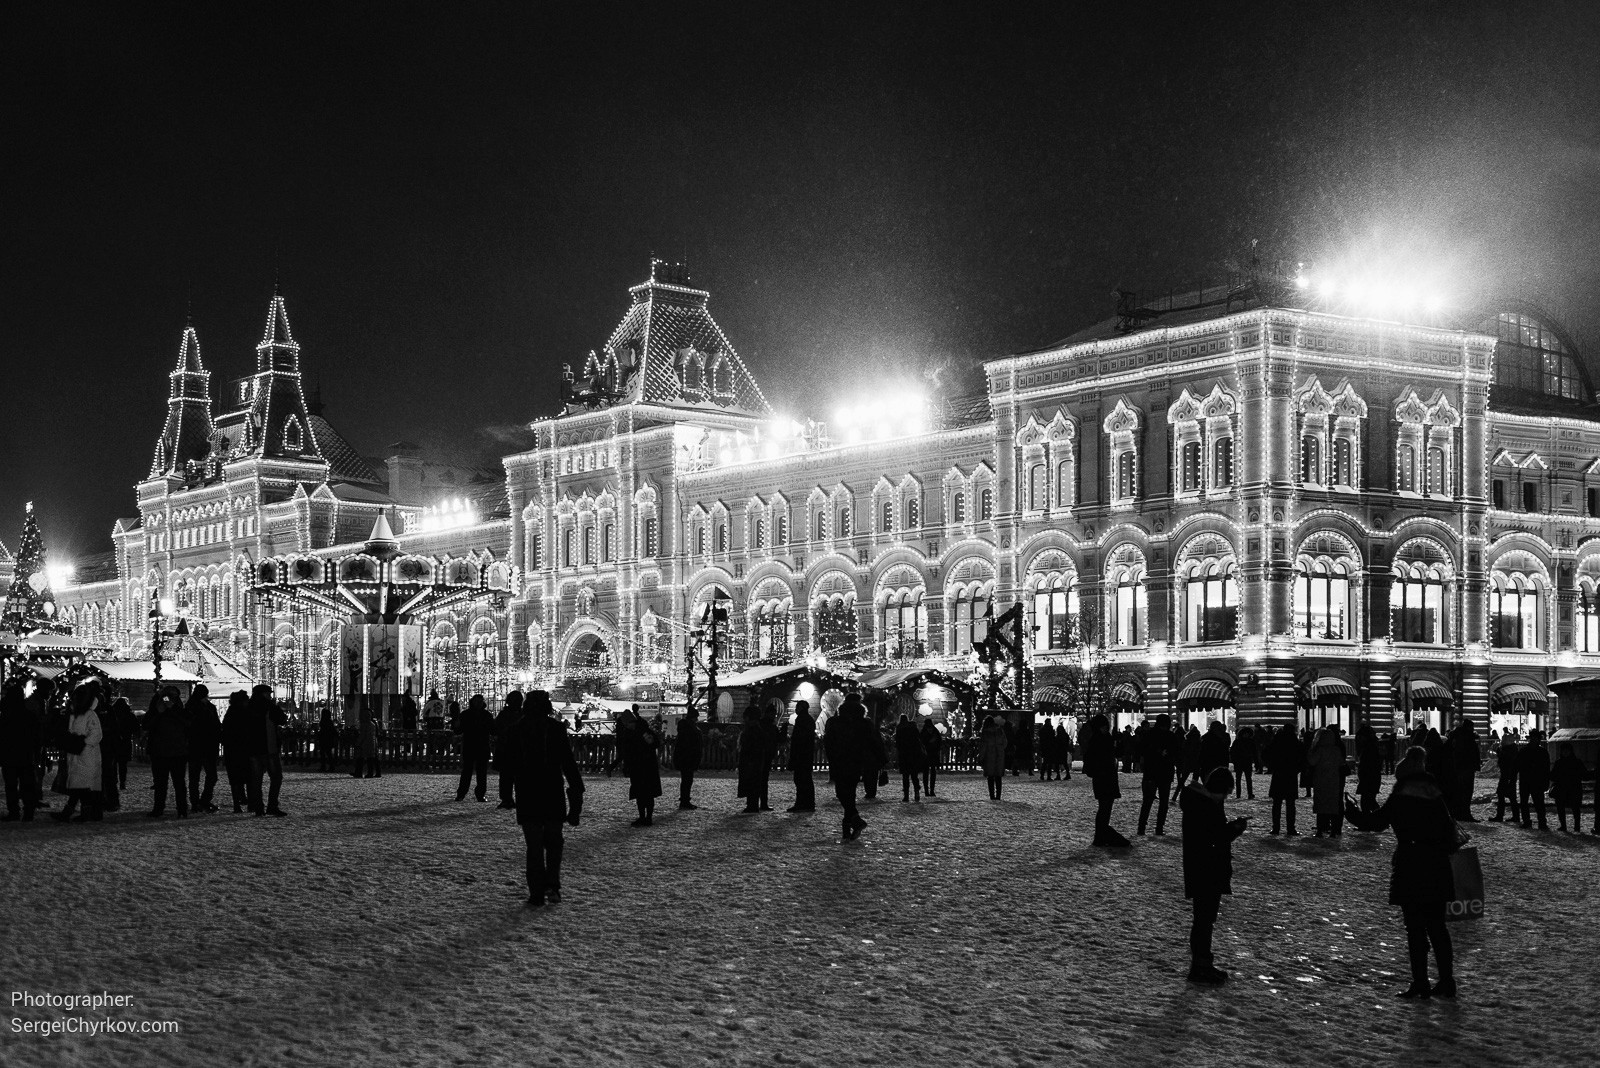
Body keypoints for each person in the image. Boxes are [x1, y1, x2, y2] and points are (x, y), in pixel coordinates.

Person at [1344, 747, 1461, 999]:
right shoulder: (1434, 793)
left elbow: (1376, 822)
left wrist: (1351, 812)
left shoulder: (1402, 795)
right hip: (1437, 864)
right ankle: (1447, 981)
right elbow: (1448, 828)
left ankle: (1420, 982)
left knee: (1415, 928)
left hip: (1411, 864)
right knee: (1437, 927)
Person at [512, 691, 584, 906]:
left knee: (534, 845)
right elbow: (568, 761)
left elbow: (503, 763)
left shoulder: (518, 729)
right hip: (552, 790)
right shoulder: (555, 728)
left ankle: (536, 892)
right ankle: (552, 885)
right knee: (554, 842)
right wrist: (576, 787)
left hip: (527, 791)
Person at [1181, 766, 1248, 984]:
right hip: (1207, 868)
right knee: (1204, 920)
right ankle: (1200, 967)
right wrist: (1235, 829)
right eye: (1227, 792)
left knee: (1203, 919)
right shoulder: (1206, 805)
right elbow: (1215, 836)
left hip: (1201, 867)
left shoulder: (1199, 802)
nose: (1226, 797)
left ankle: (1202, 964)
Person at [53, 680, 106, 823]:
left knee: (83, 787)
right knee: (79, 786)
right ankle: (77, 812)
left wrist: (82, 743)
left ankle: (83, 813)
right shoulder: (74, 714)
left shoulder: (90, 715)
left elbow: (96, 734)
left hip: (86, 755)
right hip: (76, 754)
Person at [824, 693, 871, 840]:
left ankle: (854, 821)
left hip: (840, 761)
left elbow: (829, 742)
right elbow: (870, 742)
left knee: (842, 793)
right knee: (850, 794)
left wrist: (832, 757)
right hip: (856, 762)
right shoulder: (863, 723)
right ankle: (849, 827)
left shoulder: (835, 722)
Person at [144, 685, 190, 818]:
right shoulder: (158, 706)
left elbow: (187, 723)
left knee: (177, 782)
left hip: (175, 751)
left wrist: (171, 709)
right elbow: (147, 724)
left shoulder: (178, 708)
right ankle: (161, 808)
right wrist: (159, 712)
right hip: (162, 751)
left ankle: (181, 808)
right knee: (161, 783)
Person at [1084, 713, 1129, 846]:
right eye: (1104, 726)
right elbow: (1102, 759)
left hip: (1104, 778)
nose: (1106, 728)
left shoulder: (1101, 739)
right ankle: (1101, 836)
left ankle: (1100, 837)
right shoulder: (1101, 740)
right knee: (1105, 808)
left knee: (1104, 808)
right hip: (1104, 778)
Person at [0, 681, 42, 821]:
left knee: (11, 785)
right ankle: (28, 811)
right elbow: (36, 736)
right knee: (27, 784)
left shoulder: (6, 715)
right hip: (25, 754)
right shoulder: (28, 715)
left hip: (9, 753)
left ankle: (14, 811)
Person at [1138, 713, 1179, 836]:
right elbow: (1176, 752)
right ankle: (1159, 828)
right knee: (1163, 802)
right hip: (1164, 772)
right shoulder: (1170, 736)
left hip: (1151, 772)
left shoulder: (1149, 735)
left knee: (1148, 801)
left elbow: (1142, 750)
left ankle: (1141, 827)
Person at [221, 690, 261, 814]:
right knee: (249, 778)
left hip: (232, 750)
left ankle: (237, 805)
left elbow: (225, 732)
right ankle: (250, 804)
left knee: (235, 779)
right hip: (245, 749)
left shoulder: (230, 714)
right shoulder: (246, 713)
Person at [186, 684, 221, 814]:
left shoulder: (191, 707)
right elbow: (215, 725)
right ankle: (202, 801)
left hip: (197, 746)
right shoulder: (206, 707)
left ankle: (197, 802)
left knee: (196, 777)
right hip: (205, 746)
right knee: (208, 776)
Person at [1306, 726, 1347, 837]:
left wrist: (1310, 752)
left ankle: (1320, 830)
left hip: (1321, 779)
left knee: (1321, 805)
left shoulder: (1320, 750)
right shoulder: (1336, 750)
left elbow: (1312, 761)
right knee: (1332, 805)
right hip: (1334, 780)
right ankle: (1333, 830)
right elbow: (1341, 763)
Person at [255, 686, 289, 816]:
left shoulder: (249, 706)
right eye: (268, 694)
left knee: (256, 779)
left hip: (254, 748)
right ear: (264, 694)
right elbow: (282, 719)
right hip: (268, 746)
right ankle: (272, 805)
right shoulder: (269, 707)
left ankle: (258, 807)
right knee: (276, 777)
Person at [1264, 723, 1304, 836]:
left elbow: (1266, 753)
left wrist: (1271, 766)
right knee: (1290, 804)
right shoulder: (1295, 742)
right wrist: (1297, 769)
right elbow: (1302, 757)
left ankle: (1276, 828)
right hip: (1290, 774)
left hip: (1279, 774)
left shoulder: (1277, 741)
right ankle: (1290, 828)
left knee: (1277, 803)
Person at [625, 708, 663, 826]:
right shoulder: (643, 730)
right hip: (646, 766)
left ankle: (645, 817)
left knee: (642, 793)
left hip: (642, 766)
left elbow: (651, 744)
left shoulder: (640, 732)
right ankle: (646, 817)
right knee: (646, 794)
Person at [455, 694, 493, 800]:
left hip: (472, 745)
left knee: (472, 771)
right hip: (478, 745)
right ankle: (476, 794)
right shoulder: (485, 715)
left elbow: (459, 730)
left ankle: (463, 793)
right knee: (476, 772)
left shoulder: (466, 714)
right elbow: (493, 730)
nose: (478, 704)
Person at [493, 691, 525, 809]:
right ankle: (509, 799)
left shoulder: (506, 714)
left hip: (509, 748)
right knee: (512, 776)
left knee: (508, 777)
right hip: (512, 749)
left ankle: (507, 799)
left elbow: (496, 728)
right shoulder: (521, 714)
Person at [1447, 719, 1482, 821]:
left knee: (1460, 791)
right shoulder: (1467, 737)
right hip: (1467, 767)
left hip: (1459, 767)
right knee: (1466, 791)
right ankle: (1465, 813)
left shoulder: (1457, 736)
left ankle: (1459, 813)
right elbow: (1470, 753)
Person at [1549, 742, 1587, 833]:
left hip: (1569, 788)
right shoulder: (1575, 762)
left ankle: (1574, 826)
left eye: (1567, 750)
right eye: (1564, 751)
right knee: (1567, 808)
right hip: (1568, 788)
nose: (1565, 752)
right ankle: (1567, 826)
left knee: (1574, 808)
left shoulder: (1561, 762)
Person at [1517, 728, 1550, 830]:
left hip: (1533, 780)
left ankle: (1537, 822)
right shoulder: (1540, 752)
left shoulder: (1527, 751)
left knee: (1537, 803)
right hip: (1530, 780)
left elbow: (1546, 768)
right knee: (1531, 802)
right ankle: (1536, 822)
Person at [737, 708, 766, 813]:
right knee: (753, 782)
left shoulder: (752, 730)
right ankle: (752, 804)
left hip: (751, 761)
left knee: (752, 782)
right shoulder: (756, 729)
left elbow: (749, 746)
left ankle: (752, 805)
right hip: (753, 760)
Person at [789, 701, 816, 812]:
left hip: (801, 754)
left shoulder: (802, 719)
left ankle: (802, 803)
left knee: (801, 779)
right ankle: (808, 803)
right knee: (805, 779)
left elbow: (799, 739)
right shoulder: (808, 719)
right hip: (806, 754)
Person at [1488, 731, 1521, 824]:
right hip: (1507, 776)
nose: (1502, 741)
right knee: (1507, 796)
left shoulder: (1509, 751)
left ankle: (1502, 816)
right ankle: (1514, 816)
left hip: (1508, 776)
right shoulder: (1509, 749)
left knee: (1505, 796)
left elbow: (1508, 764)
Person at [676, 707, 702, 810]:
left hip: (686, 757)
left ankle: (685, 799)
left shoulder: (686, 727)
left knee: (686, 780)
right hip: (688, 758)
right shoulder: (690, 728)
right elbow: (691, 743)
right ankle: (685, 800)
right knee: (687, 780)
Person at [895, 713, 925, 802]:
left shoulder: (899, 729)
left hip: (904, 755)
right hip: (914, 755)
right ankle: (916, 792)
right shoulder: (913, 728)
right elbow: (919, 739)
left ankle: (906, 795)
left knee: (905, 776)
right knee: (914, 775)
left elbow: (898, 743)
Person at [109, 696, 137, 791]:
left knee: (113, 763)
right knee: (123, 764)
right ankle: (122, 782)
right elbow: (135, 728)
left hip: (114, 741)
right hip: (125, 741)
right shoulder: (130, 715)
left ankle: (114, 780)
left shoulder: (113, 714)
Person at [1354, 722, 1382, 814]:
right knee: (1369, 799)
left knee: (1367, 799)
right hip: (1370, 775)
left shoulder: (1368, 747)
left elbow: (1369, 763)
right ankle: (1375, 817)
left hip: (1368, 775)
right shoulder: (1371, 746)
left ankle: (1375, 817)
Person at [978, 715, 1008, 800]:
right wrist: (1000, 749)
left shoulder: (986, 733)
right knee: (998, 776)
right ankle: (998, 795)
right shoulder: (1000, 731)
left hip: (989, 755)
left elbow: (983, 746)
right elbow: (1005, 742)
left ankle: (992, 795)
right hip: (999, 755)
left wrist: (981, 756)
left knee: (990, 776)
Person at [1230, 725, 1257, 800]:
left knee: (1245, 779)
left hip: (1244, 762)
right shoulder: (1249, 741)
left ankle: (1246, 794)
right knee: (1242, 779)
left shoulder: (1239, 741)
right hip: (1243, 762)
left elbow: (1232, 752)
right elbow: (1233, 752)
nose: (1246, 735)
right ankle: (1243, 794)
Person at [919, 718, 941, 797]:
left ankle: (927, 790)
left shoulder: (924, 732)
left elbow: (921, 742)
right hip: (933, 754)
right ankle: (931, 790)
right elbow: (939, 742)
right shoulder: (935, 731)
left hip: (926, 754)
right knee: (932, 772)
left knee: (926, 772)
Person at [316, 706, 340, 772]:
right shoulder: (329, 722)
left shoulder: (324, 722)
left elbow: (324, 731)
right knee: (328, 753)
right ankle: (330, 766)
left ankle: (325, 766)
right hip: (328, 739)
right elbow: (333, 730)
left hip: (324, 739)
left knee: (324, 753)